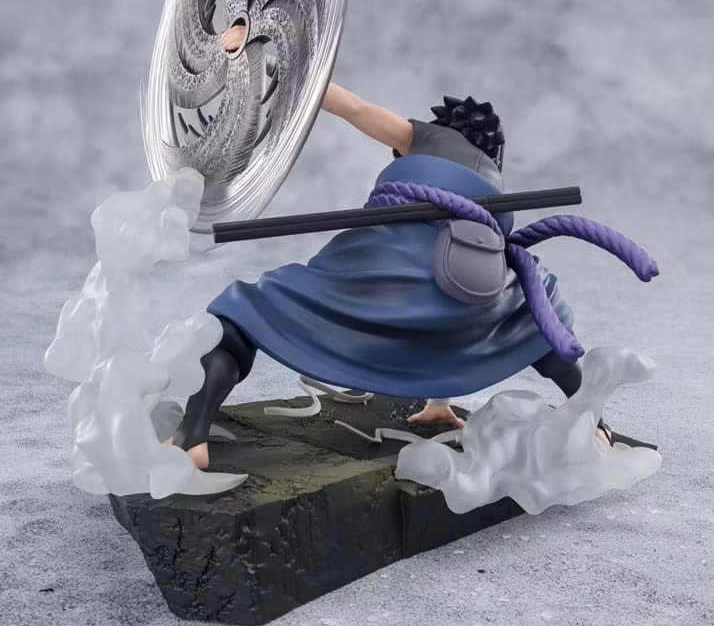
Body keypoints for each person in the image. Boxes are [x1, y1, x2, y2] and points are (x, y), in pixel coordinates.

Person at [167, 24, 657, 469]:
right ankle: (592, 422)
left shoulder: (425, 136)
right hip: (478, 294)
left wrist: (257, 58)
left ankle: (192, 438)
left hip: (389, 271)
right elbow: (461, 255)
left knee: (242, 313)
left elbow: (349, 106)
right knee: (534, 323)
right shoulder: (494, 178)